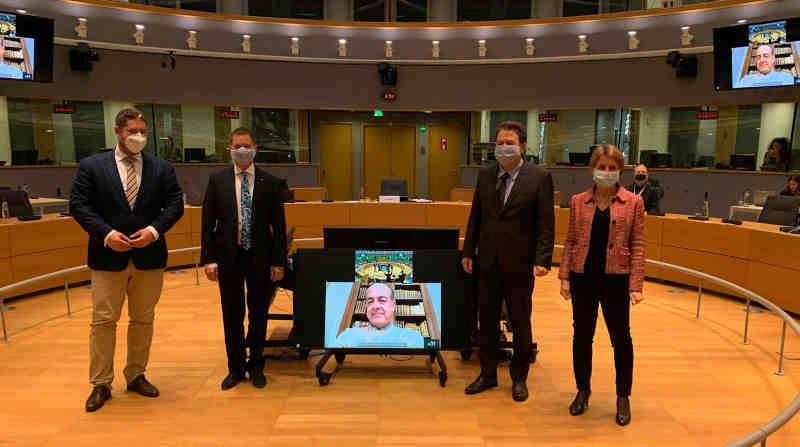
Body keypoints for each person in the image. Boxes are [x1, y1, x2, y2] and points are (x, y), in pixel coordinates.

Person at [69, 108, 184, 412]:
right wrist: (106, 234)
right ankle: (101, 382)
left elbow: (175, 204)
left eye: (143, 132)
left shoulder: (161, 168)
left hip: (149, 256)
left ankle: (136, 374)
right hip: (108, 256)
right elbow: (78, 205)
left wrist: (153, 231)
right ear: (118, 132)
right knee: (104, 320)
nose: (139, 137)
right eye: (133, 131)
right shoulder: (92, 166)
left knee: (143, 319)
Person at [462, 121, 555, 403]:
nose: (503, 147)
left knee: (520, 321)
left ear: (522, 146)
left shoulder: (539, 177)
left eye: (509, 142)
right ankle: (488, 374)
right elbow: (476, 215)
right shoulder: (486, 174)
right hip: (487, 262)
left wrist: (543, 259)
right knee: (487, 321)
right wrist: (468, 251)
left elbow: (546, 225)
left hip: (520, 264)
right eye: (500, 142)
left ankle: (519, 378)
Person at [558, 144, 645, 427]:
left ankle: (623, 396)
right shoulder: (577, 201)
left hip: (616, 278)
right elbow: (570, 239)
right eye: (602, 167)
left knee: (621, 339)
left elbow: (638, 245)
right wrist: (564, 276)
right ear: (592, 169)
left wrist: (636, 284)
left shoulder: (634, 202)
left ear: (620, 170)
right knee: (582, 337)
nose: (606, 172)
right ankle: (583, 390)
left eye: (612, 167)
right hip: (583, 277)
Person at [201, 126, 287, 391]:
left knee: (259, 313)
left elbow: (279, 227)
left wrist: (278, 262)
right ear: (229, 149)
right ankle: (236, 368)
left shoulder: (271, 183)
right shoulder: (217, 181)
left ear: (255, 148)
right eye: (237, 146)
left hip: (259, 257)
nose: (241, 150)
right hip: (229, 257)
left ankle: (257, 365)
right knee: (232, 314)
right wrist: (209, 259)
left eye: (246, 145)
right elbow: (207, 223)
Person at [335, 283, 424, 348]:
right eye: (370, 301)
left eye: (382, 300)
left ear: (393, 306)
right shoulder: (347, 335)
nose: (375, 306)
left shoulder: (412, 337)